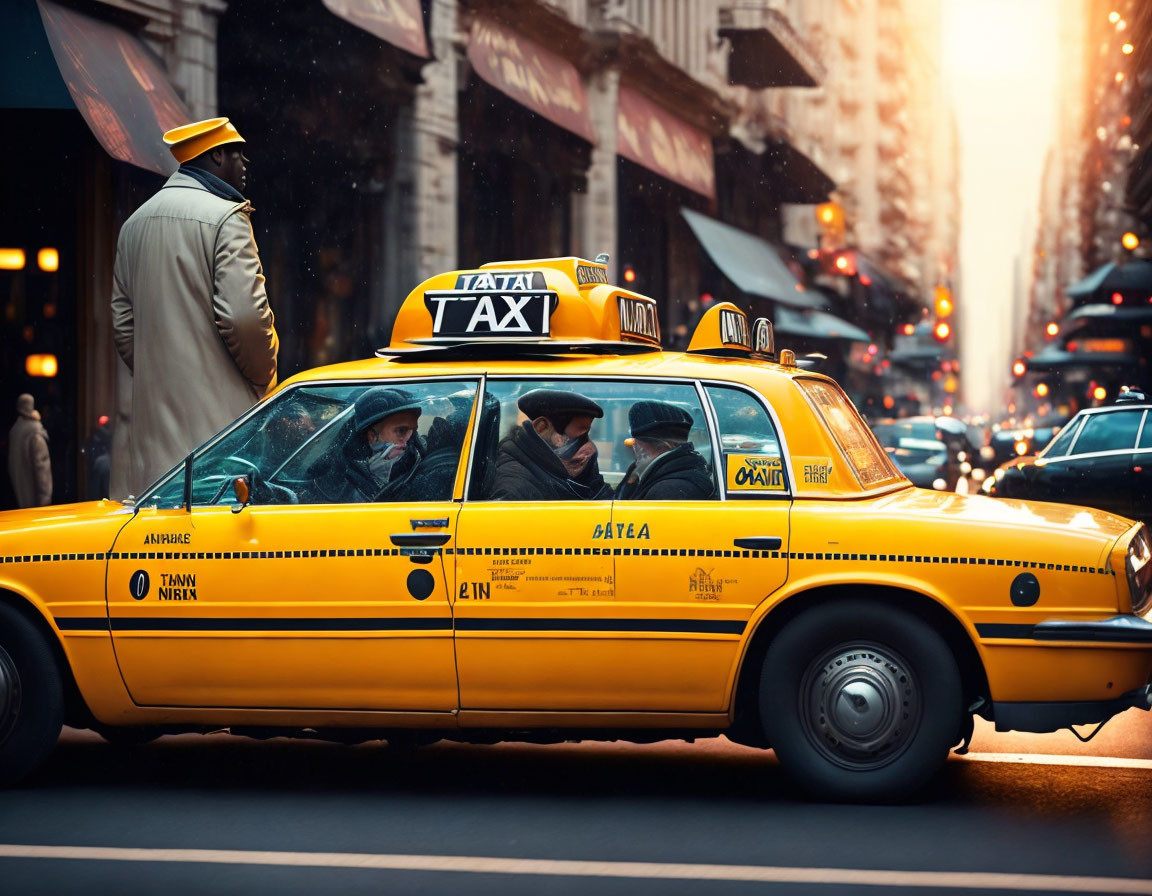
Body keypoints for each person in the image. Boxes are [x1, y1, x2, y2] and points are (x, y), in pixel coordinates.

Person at [111, 117, 279, 498]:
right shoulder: (227, 218)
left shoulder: (133, 225)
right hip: (221, 450)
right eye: (239, 154)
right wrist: (262, 379)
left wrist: (161, 372)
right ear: (218, 155)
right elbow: (245, 318)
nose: (246, 164)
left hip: (152, 457)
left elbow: (124, 327)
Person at [489, 389, 612, 500]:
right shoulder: (515, 491)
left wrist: (588, 476)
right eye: (580, 436)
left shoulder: (549, 470)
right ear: (542, 427)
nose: (591, 449)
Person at [311, 388, 425, 503]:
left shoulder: (423, 462)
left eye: (413, 431)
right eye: (401, 431)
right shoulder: (336, 476)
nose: (409, 440)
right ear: (372, 436)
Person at [614, 400, 715, 500]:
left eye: (635, 440)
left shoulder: (670, 490)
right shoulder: (657, 473)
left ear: (662, 444)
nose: (633, 445)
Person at [8, 394, 52, 508]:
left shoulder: (15, 430)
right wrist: (45, 499)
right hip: (32, 500)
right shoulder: (35, 431)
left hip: (17, 497)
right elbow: (42, 468)